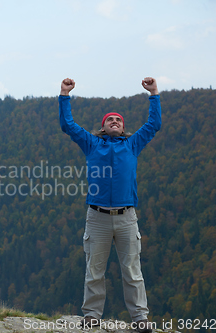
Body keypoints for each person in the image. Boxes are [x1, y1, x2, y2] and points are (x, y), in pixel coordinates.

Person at [58, 77, 161, 333]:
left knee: (132, 270)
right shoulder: (92, 144)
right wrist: (64, 94)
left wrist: (154, 93)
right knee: (94, 270)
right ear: (103, 128)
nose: (115, 122)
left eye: (119, 120)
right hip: (97, 216)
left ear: (123, 128)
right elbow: (67, 125)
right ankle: (92, 316)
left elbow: (154, 124)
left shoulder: (132, 144)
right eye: (110, 120)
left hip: (127, 217)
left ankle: (140, 319)